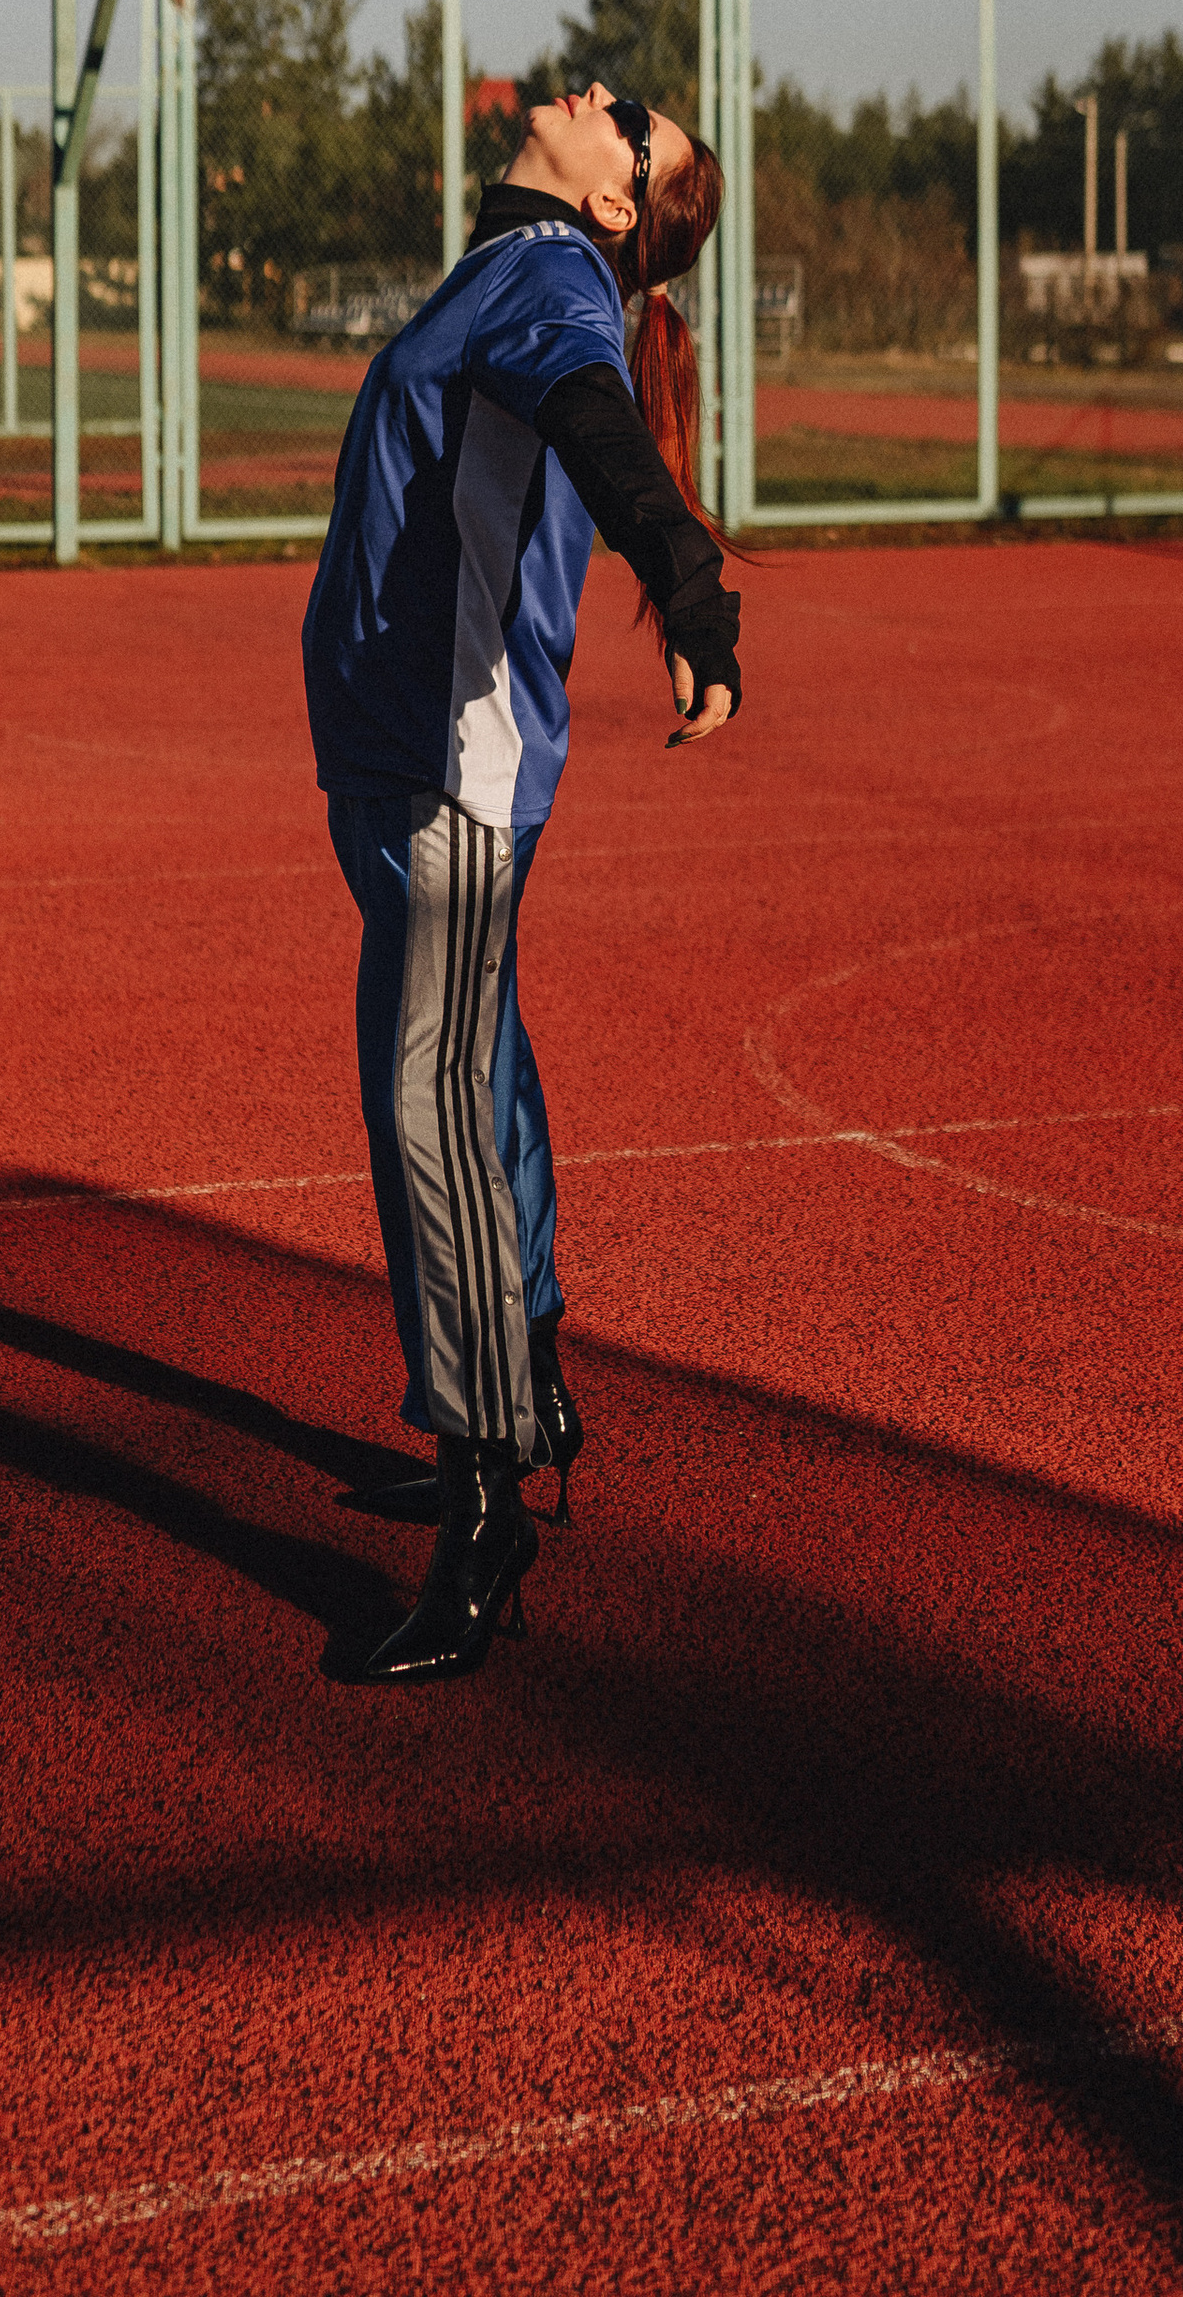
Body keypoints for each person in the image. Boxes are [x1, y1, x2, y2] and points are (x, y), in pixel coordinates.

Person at [301, 82, 740, 1684]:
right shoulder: (514, 263)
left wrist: (686, 581)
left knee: (427, 1099)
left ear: (620, 203)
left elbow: (593, 417)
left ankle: (486, 1503)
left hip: (449, 773)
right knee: (464, 1058)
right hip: (404, 758)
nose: (604, 96)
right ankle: (526, 1381)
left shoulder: (555, 278)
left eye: (637, 121)